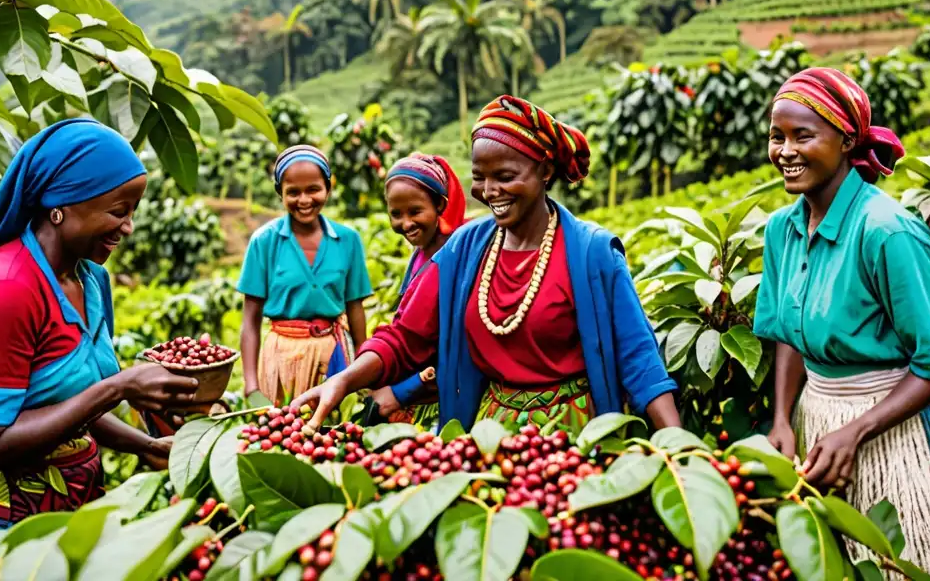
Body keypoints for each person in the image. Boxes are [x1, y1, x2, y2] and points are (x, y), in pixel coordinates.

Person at [291, 95, 681, 437]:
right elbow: (405, 338)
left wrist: (679, 449)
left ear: (545, 171)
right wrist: (343, 381)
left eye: (505, 177)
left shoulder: (591, 253)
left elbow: (640, 362)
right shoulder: (464, 248)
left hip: (575, 433)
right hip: (487, 432)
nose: (490, 191)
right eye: (479, 178)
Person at [754, 67, 930, 579]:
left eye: (803, 136)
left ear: (847, 140)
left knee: (906, 561)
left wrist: (856, 432)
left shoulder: (889, 232)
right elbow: (788, 336)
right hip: (819, 424)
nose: (785, 151)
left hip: (896, 433)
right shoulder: (782, 230)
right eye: (776, 136)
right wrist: (784, 420)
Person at [0, 119, 200, 542]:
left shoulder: (90, 279)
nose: (128, 228)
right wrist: (117, 388)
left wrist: (145, 445)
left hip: (73, 499)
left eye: (132, 212)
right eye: (118, 211)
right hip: (4, 519)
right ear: (60, 205)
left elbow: (66, 405)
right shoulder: (4, 289)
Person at [238, 145, 373, 406]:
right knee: (282, 435)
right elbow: (250, 320)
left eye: (313, 189)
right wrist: (251, 384)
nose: (304, 200)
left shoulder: (348, 241)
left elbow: (355, 309)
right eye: (293, 192)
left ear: (328, 188)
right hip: (280, 359)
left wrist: (362, 368)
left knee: (332, 436)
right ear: (280, 194)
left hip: (331, 355)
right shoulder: (264, 242)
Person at [367, 153, 466, 427]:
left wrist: (400, 390)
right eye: (396, 214)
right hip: (420, 385)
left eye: (415, 211)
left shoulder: (456, 256)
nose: (406, 223)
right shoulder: (420, 254)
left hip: (446, 392)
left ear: (440, 205)